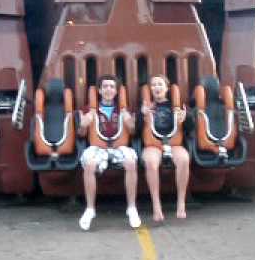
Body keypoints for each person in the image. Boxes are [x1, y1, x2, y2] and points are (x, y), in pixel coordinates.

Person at [77, 75, 140, 231]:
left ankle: (131, 207)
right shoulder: (89, 110)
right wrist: (83, 125)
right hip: (98, 148)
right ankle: (90, 209)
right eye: (105, 86)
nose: (108, 89)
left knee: (131, 162)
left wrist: (129, 122)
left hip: (119, 147)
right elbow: (81, 134)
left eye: (112, 87)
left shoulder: (124, 110)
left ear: (116, 91)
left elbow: (133, 132)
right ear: (99, 90)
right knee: (90, 165)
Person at [141, 75, 189, 222]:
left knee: (184, 159)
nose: (156, 87)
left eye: (160, 84)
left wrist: (186, 118)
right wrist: (141, 115)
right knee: (150, 162)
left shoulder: (176, 105)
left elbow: (190, 129)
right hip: (153, 144)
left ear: (167, 88)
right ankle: (156, 205)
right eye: (153, 85)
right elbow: (136, 131)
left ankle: (181, 202)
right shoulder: (146, 107)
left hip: (174, 143)